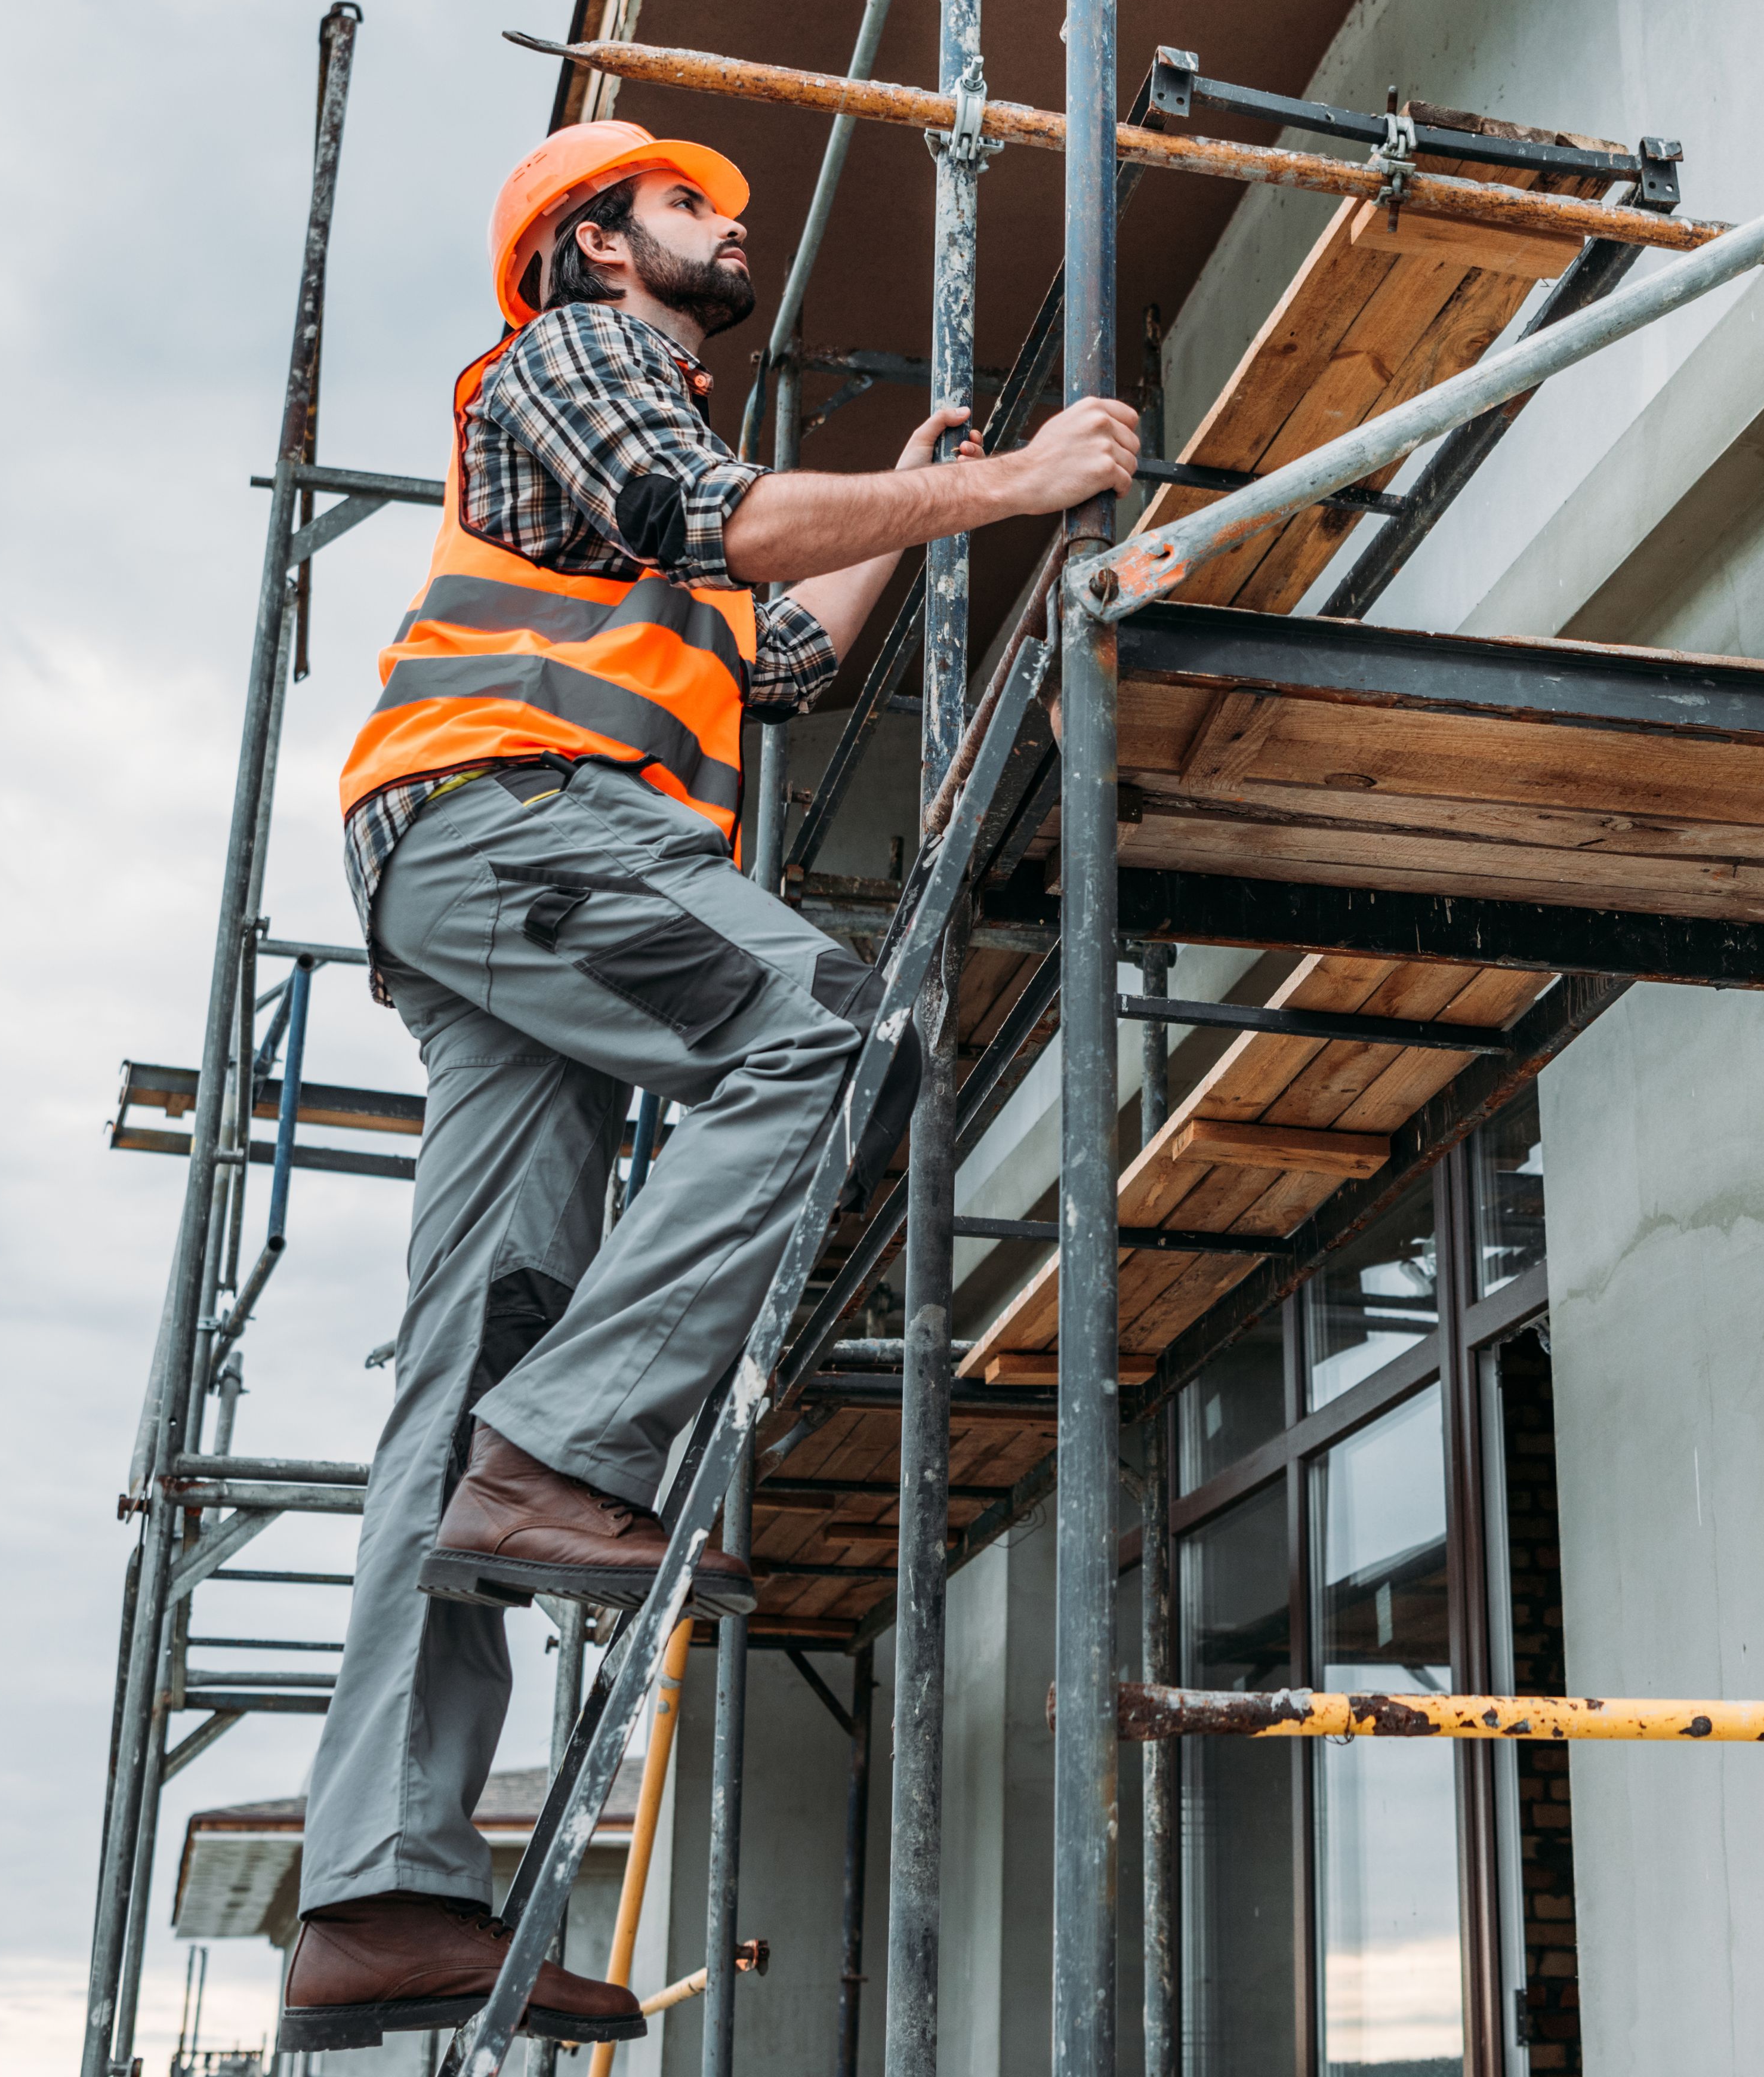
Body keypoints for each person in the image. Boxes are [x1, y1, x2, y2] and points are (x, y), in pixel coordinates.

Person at [275, 121, 1140, 2054]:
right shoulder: (579, 367)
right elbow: (730, 521)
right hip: (522, 824)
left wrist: (934, 515)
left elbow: (769, 652)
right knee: (833, 1032)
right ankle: (573, 1452)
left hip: (501, 866)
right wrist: (1018, 475)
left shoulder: (606, 484)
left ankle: (381, 1892)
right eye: (687, 205)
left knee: (473, 1346)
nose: (725, 226)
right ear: (592, 246)